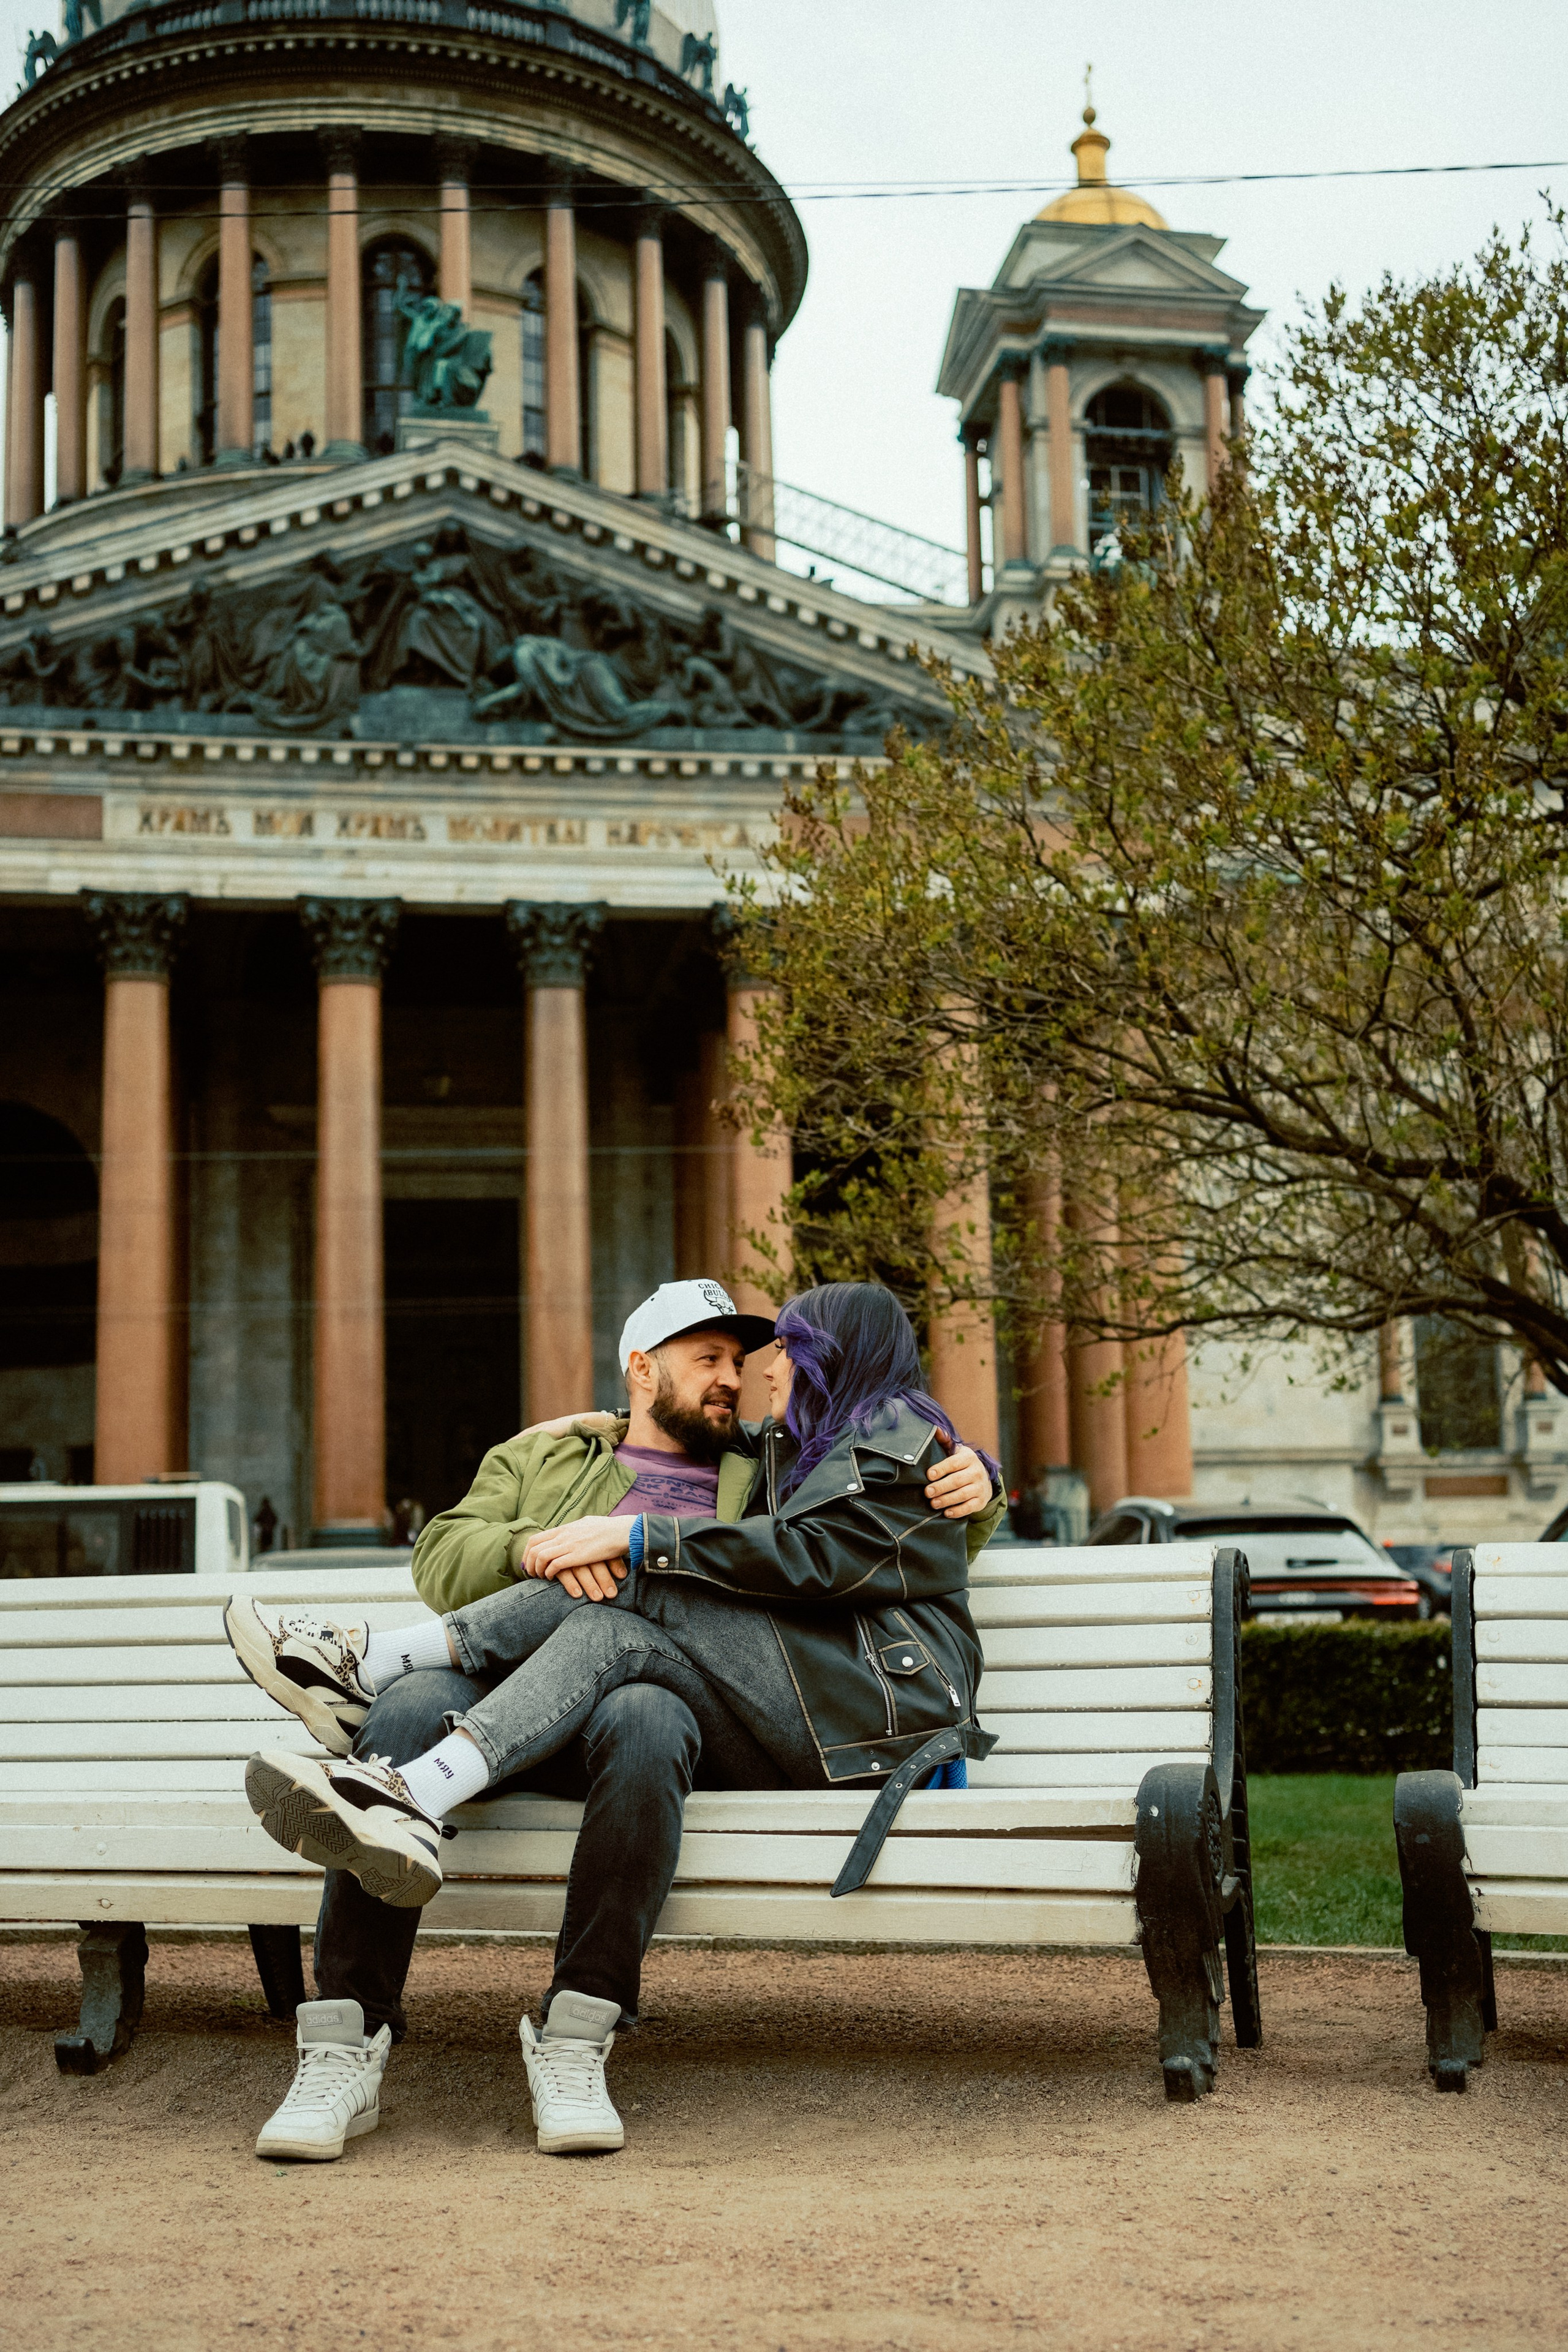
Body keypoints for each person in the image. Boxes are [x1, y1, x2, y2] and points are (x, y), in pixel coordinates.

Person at [230, 1280, 1000, 2162]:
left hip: (657, 1723)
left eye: (744, 1358)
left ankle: (575, 2032)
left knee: (643, 1703)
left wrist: (981, 1477)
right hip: (508, 1701)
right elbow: (441, 1555)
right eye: (707, 1359)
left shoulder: (768, 1461)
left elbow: (883, 1532)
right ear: (642, 1368)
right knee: (407, 1708)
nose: (737, 1377)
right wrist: (536, 1548)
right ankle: (343, 2036)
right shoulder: (545, 1456)